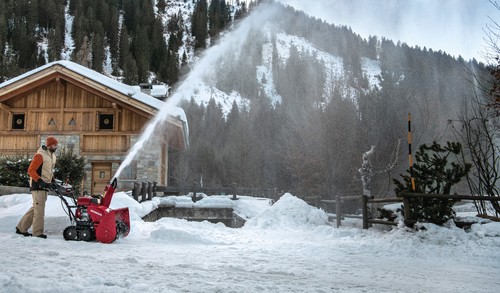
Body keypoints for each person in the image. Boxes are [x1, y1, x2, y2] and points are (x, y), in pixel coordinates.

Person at [15, 136, 58, 239]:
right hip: (38, 185)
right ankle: (37, 233)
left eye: (56, 145)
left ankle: (21, 228)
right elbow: (31, 170)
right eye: (54, 145)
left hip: (45, 185)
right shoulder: (40, 155)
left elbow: (48, 171)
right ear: (49, 145)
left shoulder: (52, 156)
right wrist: (39, 181)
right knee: (39, 209)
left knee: (36, 207)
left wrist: (53, 181)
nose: (56, 147)